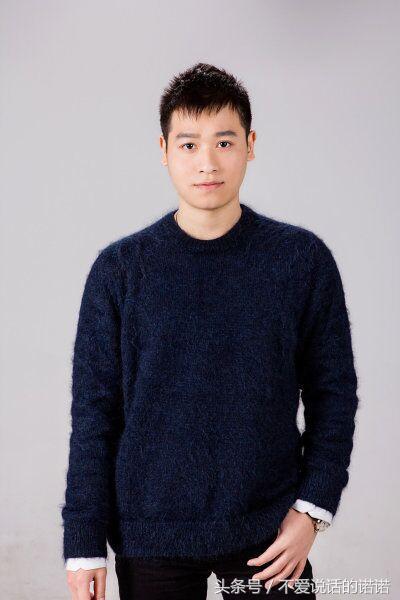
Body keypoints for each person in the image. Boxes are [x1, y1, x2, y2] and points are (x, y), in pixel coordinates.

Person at [61, 63, 359, 599]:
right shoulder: (120, 271)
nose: (207, 162)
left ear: (250, 145)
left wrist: (313, 509)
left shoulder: (300, 261)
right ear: (163, 150)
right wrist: (84, 545)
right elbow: (94, 416)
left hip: (268, 530)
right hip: (151, 532)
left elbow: (333, 393)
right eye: (189, 144)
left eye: (224, 142)